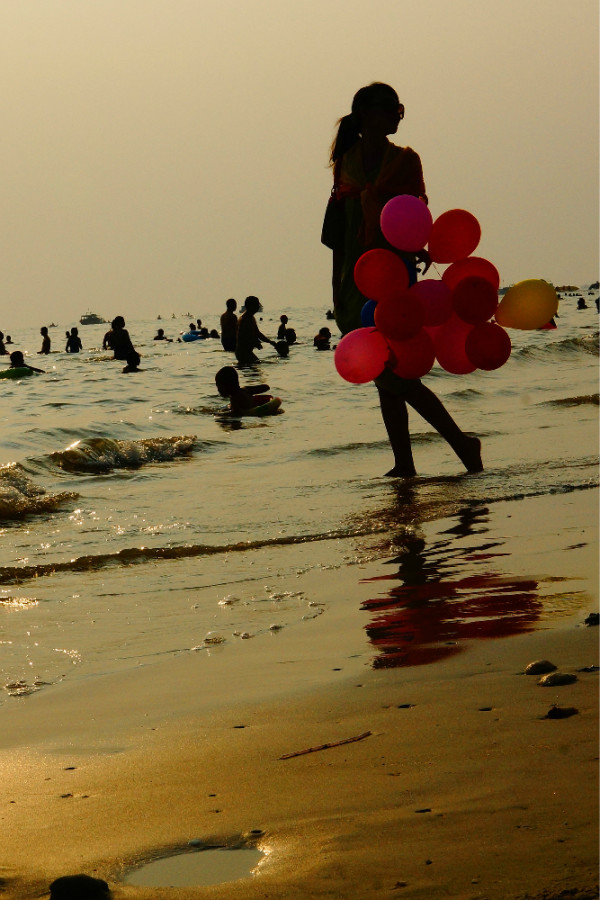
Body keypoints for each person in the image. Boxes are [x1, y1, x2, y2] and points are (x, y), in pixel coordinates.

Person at [323, 82, 482, 477]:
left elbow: (414, 218)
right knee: (382, 372)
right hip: (354, 277)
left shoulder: (406, 162)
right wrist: (334, 283)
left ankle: (462, 442)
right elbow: (337, 232)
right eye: (391, 107)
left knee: (397, 373)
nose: (397, 114)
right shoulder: (346, 164)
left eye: (400, 108)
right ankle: (405, 463)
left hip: (394, 275)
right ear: (365, 116)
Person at [235, 296, 276, 366]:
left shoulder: (251, 317)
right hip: (243, 352)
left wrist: (269, 341)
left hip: (247, 351)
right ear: (250, 306)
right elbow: (245, 337)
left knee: (256, 365)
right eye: (257, 304)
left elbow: (258, 333)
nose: (259, 306)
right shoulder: (245, 319)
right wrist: (255, 342)